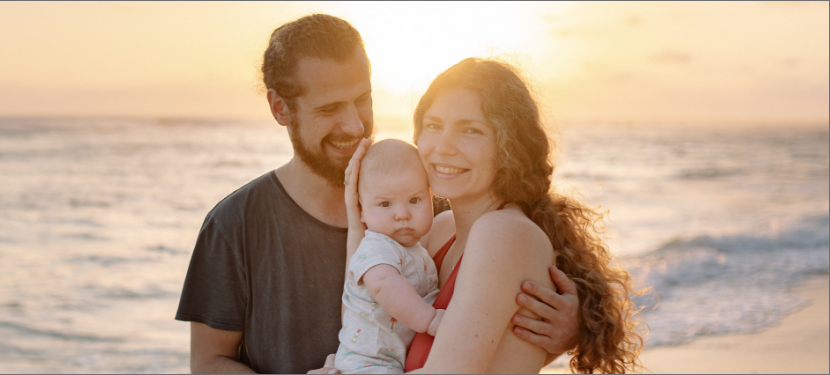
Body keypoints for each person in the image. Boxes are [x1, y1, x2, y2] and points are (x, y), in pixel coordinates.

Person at [175, 14, 585, 374]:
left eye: (363, 100)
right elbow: (209, 363)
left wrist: (566, 332)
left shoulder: (430, 208)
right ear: (281, 108)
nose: (354, 125)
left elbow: (480, 337)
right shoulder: (236, 223)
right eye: (329, 108)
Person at [329, 58, 645, 373]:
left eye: (471, 130)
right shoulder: (439, 231)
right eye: (434, 126)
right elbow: (362, 317)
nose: (443, 146)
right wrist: (358, 222)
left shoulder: (503, 234)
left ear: (508, 147)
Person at [334, 139, 443, 373]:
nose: (402, 214)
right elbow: (384, 285)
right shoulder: (377, 246)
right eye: (385, 204)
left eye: (414, 200)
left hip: (389, 360)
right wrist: (430, 320)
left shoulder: (414, 249)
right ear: (361, 210)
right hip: (368, 362)